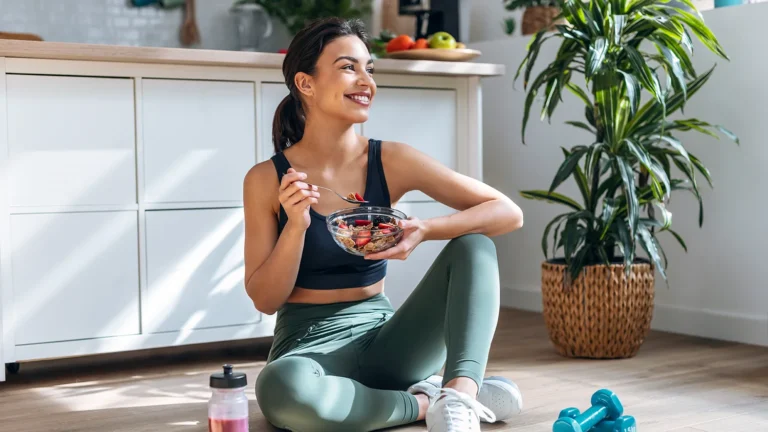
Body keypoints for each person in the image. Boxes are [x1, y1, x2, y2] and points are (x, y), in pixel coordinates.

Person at [243, 16, 524, 432]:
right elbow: (266, 300)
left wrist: (427, 229)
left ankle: (461, 396)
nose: (365, 81)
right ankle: (427, 401)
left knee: (474, 245)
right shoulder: (267, 179)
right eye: (347, 67)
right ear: (306, 84)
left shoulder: (390, 160)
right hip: (307, 349)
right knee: (284, 389)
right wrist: (296, 225)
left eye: (368, 68)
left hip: (389, 343)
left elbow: (507, 212)